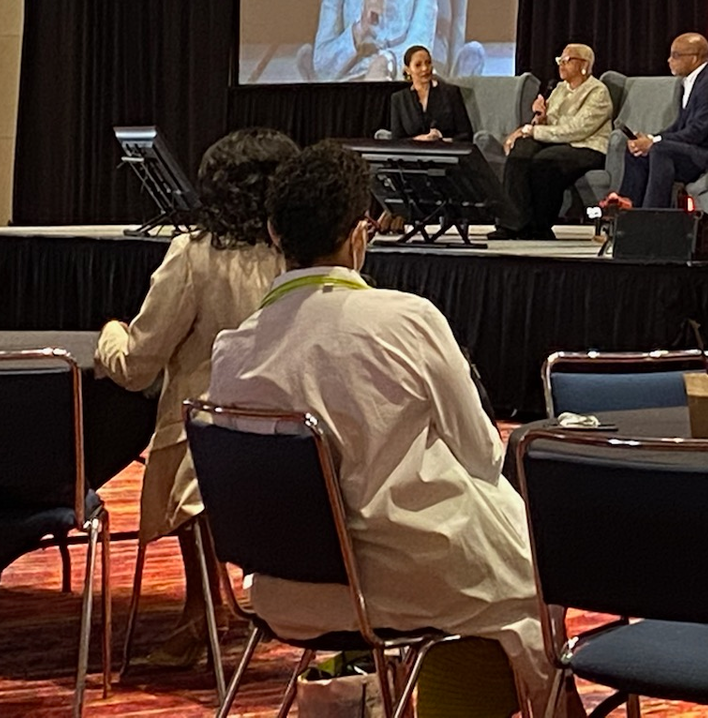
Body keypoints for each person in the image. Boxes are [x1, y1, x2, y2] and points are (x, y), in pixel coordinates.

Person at [208, 141, 557, 712]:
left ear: (274, 233)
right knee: (532, 581)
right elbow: (482, 455)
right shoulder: (407, 320)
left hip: (280, 590)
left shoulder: (232, 350)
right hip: (406, 584)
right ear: (358, 236)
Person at [97, 127, 296, 667]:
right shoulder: (306, 259)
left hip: (210, 445)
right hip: (302, 445)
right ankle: (211, 608)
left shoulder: (194, 255)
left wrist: (109, 334)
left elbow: (138, 365)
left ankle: (204, 614)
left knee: (194, 444)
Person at [605, 32, 708, 210]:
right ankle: (629, 209)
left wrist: (653, 142)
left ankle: (652, 216)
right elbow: (679, 126)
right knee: (638, 151)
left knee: (660, 150)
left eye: (675, 55)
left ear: (694, 58)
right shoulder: (691, 81)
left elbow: (697, 132)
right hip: (694, 149)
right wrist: (649, 138)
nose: (669, 60)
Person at [494, 43, 612, 241]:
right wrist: (540, 118)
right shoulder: (558, 88)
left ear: (584, 65)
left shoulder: (598, 92)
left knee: (545, 161)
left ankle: (540, 227)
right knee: (521, 150)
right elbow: (551, 123)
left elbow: (577, 130)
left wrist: (534, 130)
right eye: (559, 60)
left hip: (586, 146)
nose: (561, 65)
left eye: (567, 60)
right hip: (554, 140)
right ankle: (513, 224)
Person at [386, 44, 473, 143]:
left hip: (446, 153)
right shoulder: (399, 98)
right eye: (418, 65)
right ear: (408, 70)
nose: (425, 68)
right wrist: (418, 140)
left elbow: (466, 134)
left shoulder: (450, 93)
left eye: (428, 63)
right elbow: (396, 141)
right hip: (412, 155)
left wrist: (441, 139)